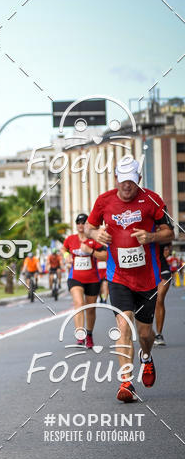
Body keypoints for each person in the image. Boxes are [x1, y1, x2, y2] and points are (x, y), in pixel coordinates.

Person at [85, 157, 173, 403]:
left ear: (139, 180)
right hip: (118, 277)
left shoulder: (152, 200)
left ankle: (146, 357)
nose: (126, 186)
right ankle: (126, 382)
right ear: (116, 179)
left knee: (145, 334)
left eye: (131, 182)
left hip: (147, 279)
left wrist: (151, 236)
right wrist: (96, 233)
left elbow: (170, 232)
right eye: (123, 181)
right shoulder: (104, 201)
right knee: (123, 326)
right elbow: (89, 227)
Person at [63, 214, 105, 348]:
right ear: (76, 225)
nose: (81, 225)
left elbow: (105, 256)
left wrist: (91, 251)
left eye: (84, 222)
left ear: (88, 225)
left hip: (93, 279)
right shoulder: (70, 239)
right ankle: (80, 335)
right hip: (75, 278)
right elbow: (64, 249)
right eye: (78, 222)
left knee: (90, 309)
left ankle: (89, 335)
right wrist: (66, 255)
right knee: (79, 303)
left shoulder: (94, 240)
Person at [153, 244, 173, 347]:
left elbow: (169, 244)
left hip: (162, 269)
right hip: (145, 271)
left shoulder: (160, 233)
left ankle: (159, 334)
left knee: (159, 299)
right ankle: (146, 331)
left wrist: (167, 250)